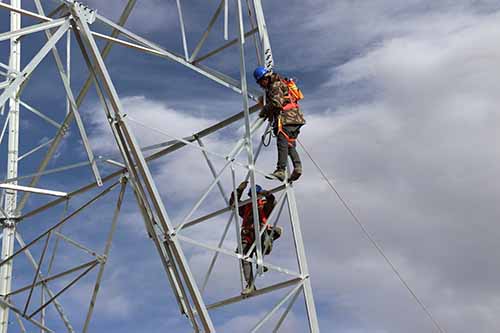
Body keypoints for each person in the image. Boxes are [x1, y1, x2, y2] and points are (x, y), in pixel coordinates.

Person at [229, 180, 282, 295]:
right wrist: (238, 190)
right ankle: (250, 285)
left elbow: (272, 201)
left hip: (262, 238)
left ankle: (260, 263)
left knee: (260, 231)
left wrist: (265, 194)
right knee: (243, 255)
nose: (253, 198)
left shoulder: (263, 206)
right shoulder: (246, 207)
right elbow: (234, 203)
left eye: (255, 195)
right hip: (248, 237)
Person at [254, 66, 305, 182]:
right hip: (296, 118)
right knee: (289, 144)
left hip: (287, 118)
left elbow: (276, 103)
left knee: (281, 141)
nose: (261, 85)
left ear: (265, 78)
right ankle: (297, 167)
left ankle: (281, 170)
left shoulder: (275, 85)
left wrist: (264, 111)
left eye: (261, 82)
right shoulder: (279, 84)